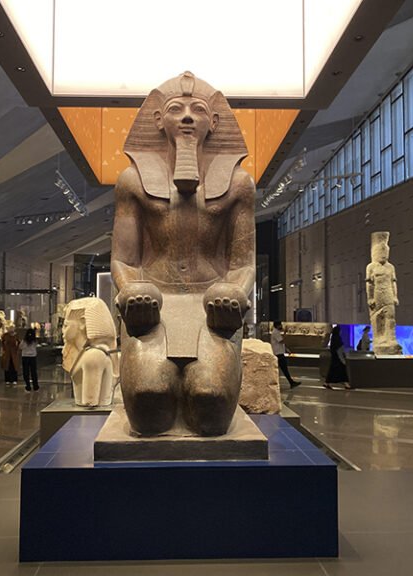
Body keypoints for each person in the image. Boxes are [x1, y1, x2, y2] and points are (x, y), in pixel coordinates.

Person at [111, 72, 255, 436]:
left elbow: (243, 264)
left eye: (198, 110)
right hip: (153, 303)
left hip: (213, 306)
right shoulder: (133, 180)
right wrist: (130, 291)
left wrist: (234, 293)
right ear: (159, 121)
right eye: (177, 109)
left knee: (210, 404)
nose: (188, 116)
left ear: (215, 122)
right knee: (149, 403)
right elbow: (124, 260)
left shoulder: (238, 183)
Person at [270, 321, 300, 388]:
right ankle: (291, 382)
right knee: (284, 369)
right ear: (277, 325)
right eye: (280, 325)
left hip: (279, 353)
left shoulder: (276, 332)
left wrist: (286, 349)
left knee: (283, 369)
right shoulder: (276, 333)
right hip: (278, 354)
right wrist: (285, 333)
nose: (281, 326)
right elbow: (281, 341)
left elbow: (280, 343)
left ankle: (291, 382)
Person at [326, 325, 351, 390]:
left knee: (332, 371)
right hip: (338, 359)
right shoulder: (338, 339)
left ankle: (327, 383)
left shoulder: (333, 339)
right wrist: (342, 359)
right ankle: (346, 384)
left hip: (334, 358)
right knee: (343, 371)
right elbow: (339, 350)